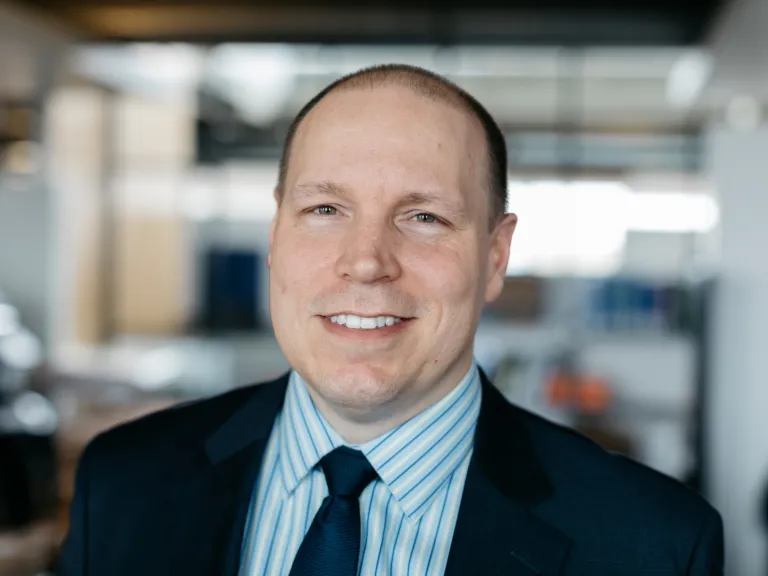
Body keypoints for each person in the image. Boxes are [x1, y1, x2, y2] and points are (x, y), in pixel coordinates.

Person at [58, 64, 723, 576]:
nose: (367, 263)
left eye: (423, 217)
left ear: (495, 256)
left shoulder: (652, 543)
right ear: (275, 234)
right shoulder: (124, 482)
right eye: (325, 210)